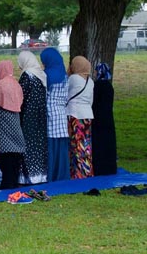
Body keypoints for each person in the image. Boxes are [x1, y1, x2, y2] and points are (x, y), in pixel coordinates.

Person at [17, 50, 48, 185]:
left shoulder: (27, 75)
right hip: (40, 116)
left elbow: (21, 96)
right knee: (39, 145)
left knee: (28, 146)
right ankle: (40, 175)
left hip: (28, 117)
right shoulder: (41, 75)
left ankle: (28, 177)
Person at [0, 60, 26, 190]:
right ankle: (14, 180)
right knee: (15, 152)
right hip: (16, 119)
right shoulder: (16, 84)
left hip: (2, 120)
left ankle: (6, 182)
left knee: (5, 153)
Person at [40, 48, 69, 182]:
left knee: (51, 147)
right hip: (62, 114)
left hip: (50, 113)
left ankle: (51, 175)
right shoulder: (65, 75)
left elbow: (43, 96)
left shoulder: (46, 75)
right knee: (61, 148)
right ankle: (62, 175)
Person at [67, 56, 95, 179]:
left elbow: (65, 94)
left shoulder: (73, 78)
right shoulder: (91, 81)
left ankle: (77, 174)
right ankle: (87, 171)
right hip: (87, 115)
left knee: (75, 145)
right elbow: (90, 101)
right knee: (86, 145)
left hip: (75, 115)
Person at [91, 62, 117, 176]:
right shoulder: (109, 86)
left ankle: (100, 167)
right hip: (108, 119)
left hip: (98, 119)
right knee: (108, 143)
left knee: (99, 144)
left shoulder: (97, 86)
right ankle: (109, 167)